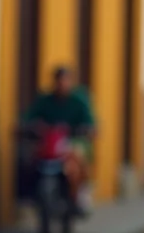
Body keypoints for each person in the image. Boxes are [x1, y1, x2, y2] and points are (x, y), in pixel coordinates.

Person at [23, 65, 97, 215]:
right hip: (50, 142)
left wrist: (86, 130)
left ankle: (80, 194)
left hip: (73, 141)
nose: (62, 85)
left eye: (65, 81)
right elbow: (29, 118)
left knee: (77, 160)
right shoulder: (45, 101)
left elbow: (90, 123)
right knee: (29, 159)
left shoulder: (78, 101)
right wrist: (31, 127)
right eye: (59, 81)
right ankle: (28, 194)